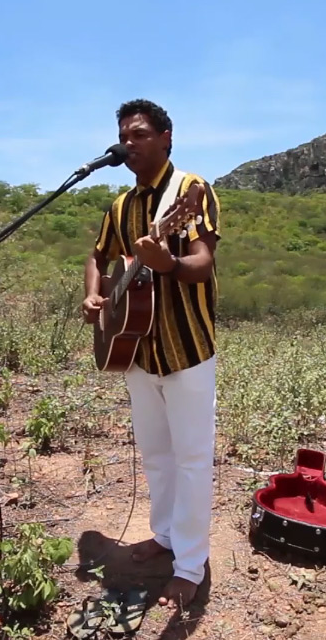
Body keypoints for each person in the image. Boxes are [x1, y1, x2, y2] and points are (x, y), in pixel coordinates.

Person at [81, 99, 221, 609]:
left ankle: (190, 565)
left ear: (166, 137)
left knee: (191, 461)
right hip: (137, 350)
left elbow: (203, 263)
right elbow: (98, 255)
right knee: (158, 458)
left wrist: (168, 262)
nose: (129, 143)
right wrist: (96, 294)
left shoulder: (191, 192)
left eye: (139, 134)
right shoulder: (120, 206)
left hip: (186, 350)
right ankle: (164, 536)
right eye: (124, 135)